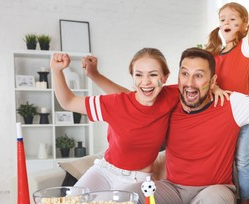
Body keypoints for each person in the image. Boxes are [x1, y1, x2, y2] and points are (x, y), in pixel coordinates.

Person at [101, 47, 249, 204]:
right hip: (173, 188)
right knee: (122, 200)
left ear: (213, 81)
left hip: (215, 189)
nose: (190, 83)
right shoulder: (169, 99)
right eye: (185, 74)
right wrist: (95, 74)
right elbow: (130, 100)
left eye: (199, 76)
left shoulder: (231, 103)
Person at [50, 48, 180, 191]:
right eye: (138, 75)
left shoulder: (171, 96)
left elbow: (202, 85)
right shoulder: (116, 103)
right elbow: (68, 102)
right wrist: (56, 71)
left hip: (138, 180)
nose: (146, 81)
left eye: (153, 75)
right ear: (133, 77)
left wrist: (95, 75)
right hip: (104, 171)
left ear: (165, 77)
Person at [205, 0, 249, 204]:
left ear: (243, 25)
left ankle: (244, 200)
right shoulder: (213, 56)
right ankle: (225, 196)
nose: (227, 22)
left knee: (241, 159)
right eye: (223, 19)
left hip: (242, 115)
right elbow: (206, 81)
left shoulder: (245, 48)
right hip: (220, 116)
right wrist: (214, 90)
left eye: (233, 19)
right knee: (221, 159)